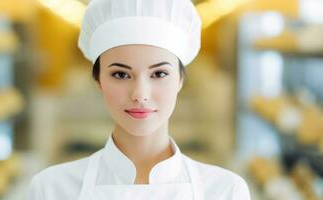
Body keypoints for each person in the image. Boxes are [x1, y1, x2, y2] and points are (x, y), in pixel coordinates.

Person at [27, 0, 251, 199]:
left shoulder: (225, 191)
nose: (140, 94)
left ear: (181, 79)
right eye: (121, 74)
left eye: (159, 74)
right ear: (98, 80)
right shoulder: (52, 189)